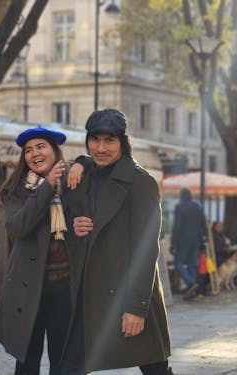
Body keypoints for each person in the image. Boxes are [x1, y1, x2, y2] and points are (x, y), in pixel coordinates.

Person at [62, 109, 172, 375]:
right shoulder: (85, 173)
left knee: (154, 367)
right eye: (94, 140)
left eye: (109, 141)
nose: (100, 148)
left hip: (127, 292)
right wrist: (73, 227)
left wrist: (136, 308)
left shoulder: (141, 182)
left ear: (123, 142)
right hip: (90, 295)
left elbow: (147, 249)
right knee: (70, 367)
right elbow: (68, 218)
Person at [0, 127, 72, 375]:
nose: (34, 153)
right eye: (28, 150)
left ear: (54, 151)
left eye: (40, 147)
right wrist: (46, 187)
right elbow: (19, 227)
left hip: (65, 289)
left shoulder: (73, 184)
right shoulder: (15, 189)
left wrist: (80, 164)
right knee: (27, 362)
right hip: (27, 289)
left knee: (64, 361)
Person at [170, 187, 207, 301]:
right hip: (196, 240)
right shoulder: (198, 206)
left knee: (178, 263)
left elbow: (177, 226)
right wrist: (203, 239)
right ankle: (192, 290)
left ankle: (190, 283)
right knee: (191, 265)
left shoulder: (179, 207)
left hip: (183, 240)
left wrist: (173, 243)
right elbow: (203, 224)